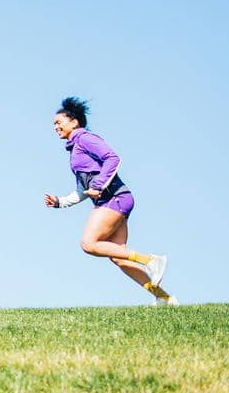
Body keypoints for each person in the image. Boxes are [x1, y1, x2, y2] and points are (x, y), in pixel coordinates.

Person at [44, 96, 178, 305]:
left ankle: (151, 260)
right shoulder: (74, 151)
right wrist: (60, 202)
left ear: (74, 122)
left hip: (115, 198)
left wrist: (99, 185)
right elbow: (83, 190)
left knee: (88, 244)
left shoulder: (85, 139)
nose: (55, 127)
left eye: (58, 122)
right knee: (119, 257)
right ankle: (164, 298)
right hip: (113, 201)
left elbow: (113, 158)